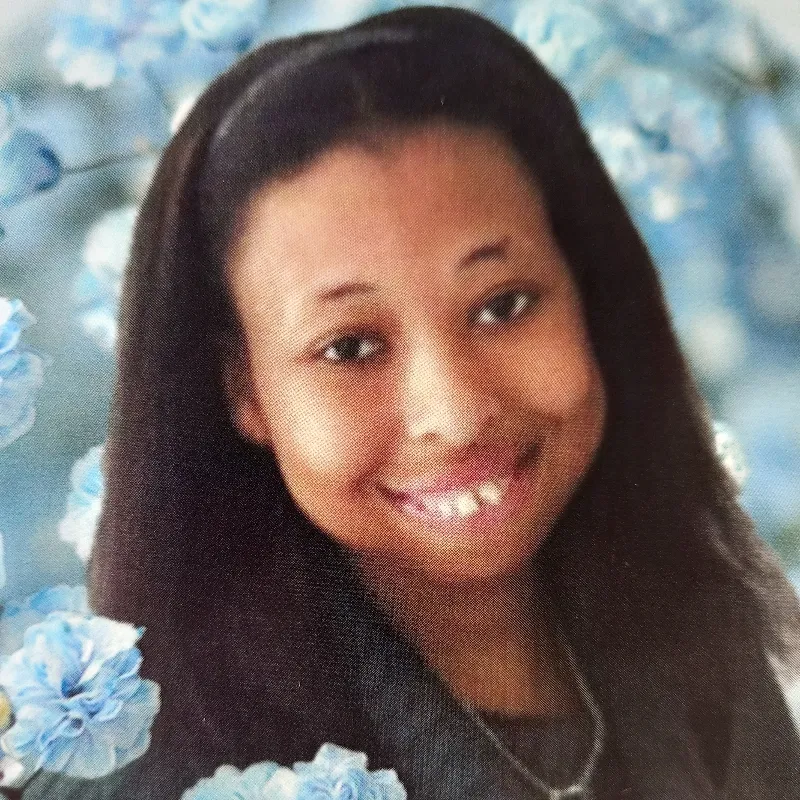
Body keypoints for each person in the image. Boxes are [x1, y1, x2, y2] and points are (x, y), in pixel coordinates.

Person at [23, 6, 800, 799]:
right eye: (350, 347)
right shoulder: (143, 779)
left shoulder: (706, 651)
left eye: (503, 305)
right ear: (243, 390)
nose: (455, 414)